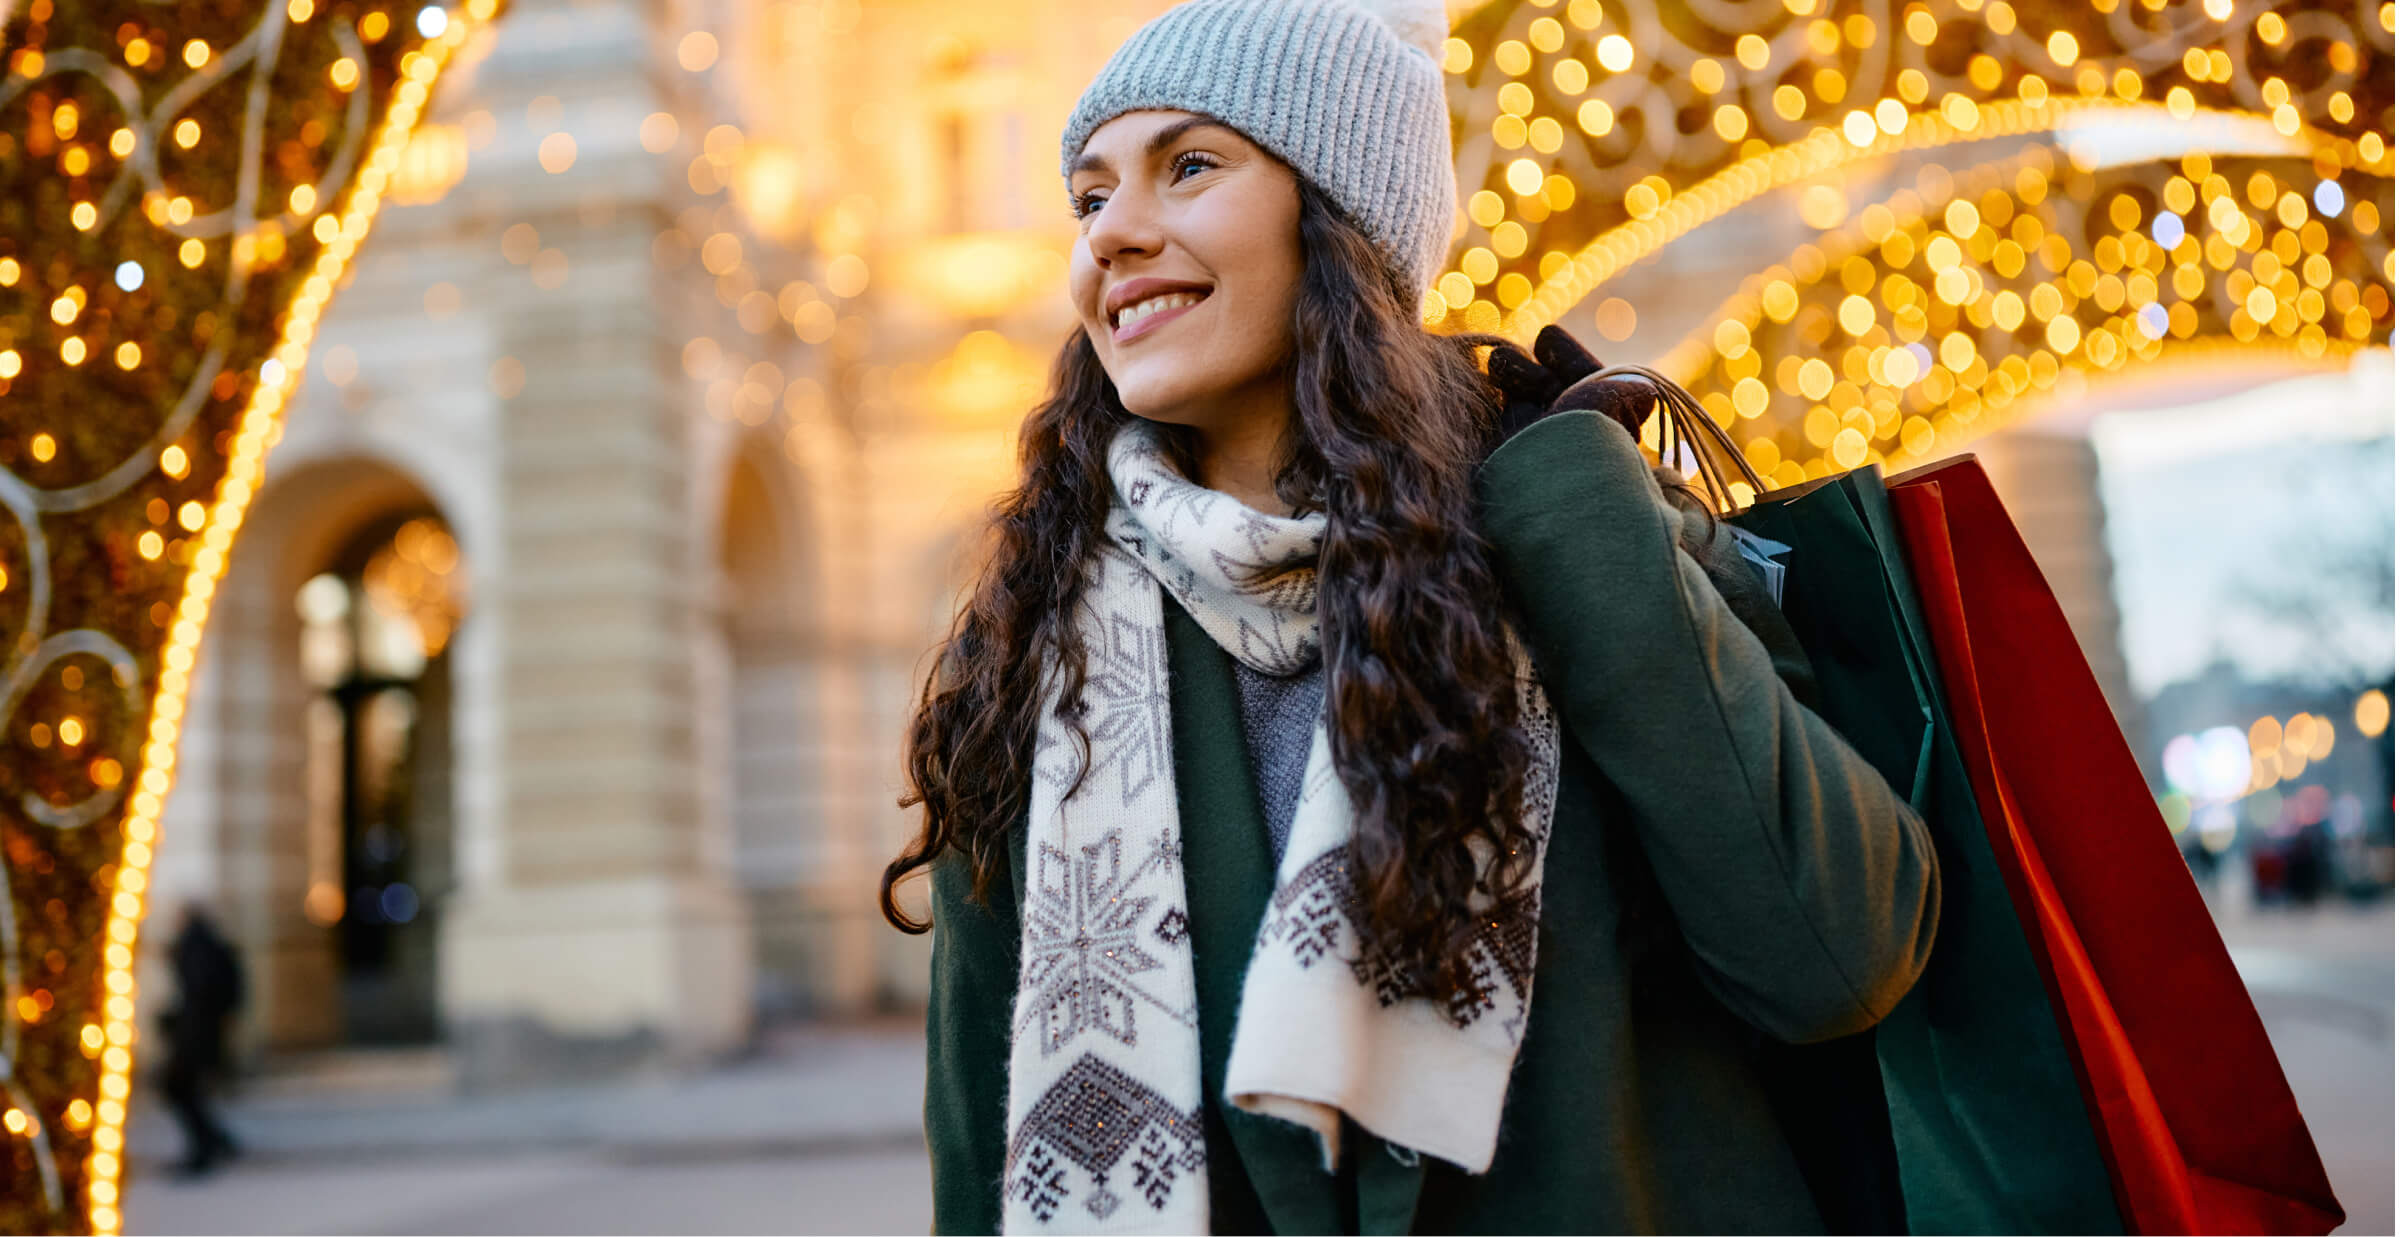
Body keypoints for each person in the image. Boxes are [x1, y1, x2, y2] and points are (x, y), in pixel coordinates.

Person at [880, 1, 1940, 1231]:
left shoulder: (1566, 525)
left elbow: (1835, 959)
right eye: (1088, 194)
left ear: (1339, 217)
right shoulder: (1035, 654)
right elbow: (982, 1162)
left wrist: (1582, 515)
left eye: (1189, 166)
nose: (1112, 233)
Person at [161, 904, 244, 1176]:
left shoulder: (195, 950)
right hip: (203, 1033)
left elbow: (199, 995)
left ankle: (206, 1147)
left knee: (180, 1089)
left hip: (195, 1035)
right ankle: (215, 1141)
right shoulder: (213, 946)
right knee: (188, 1092)